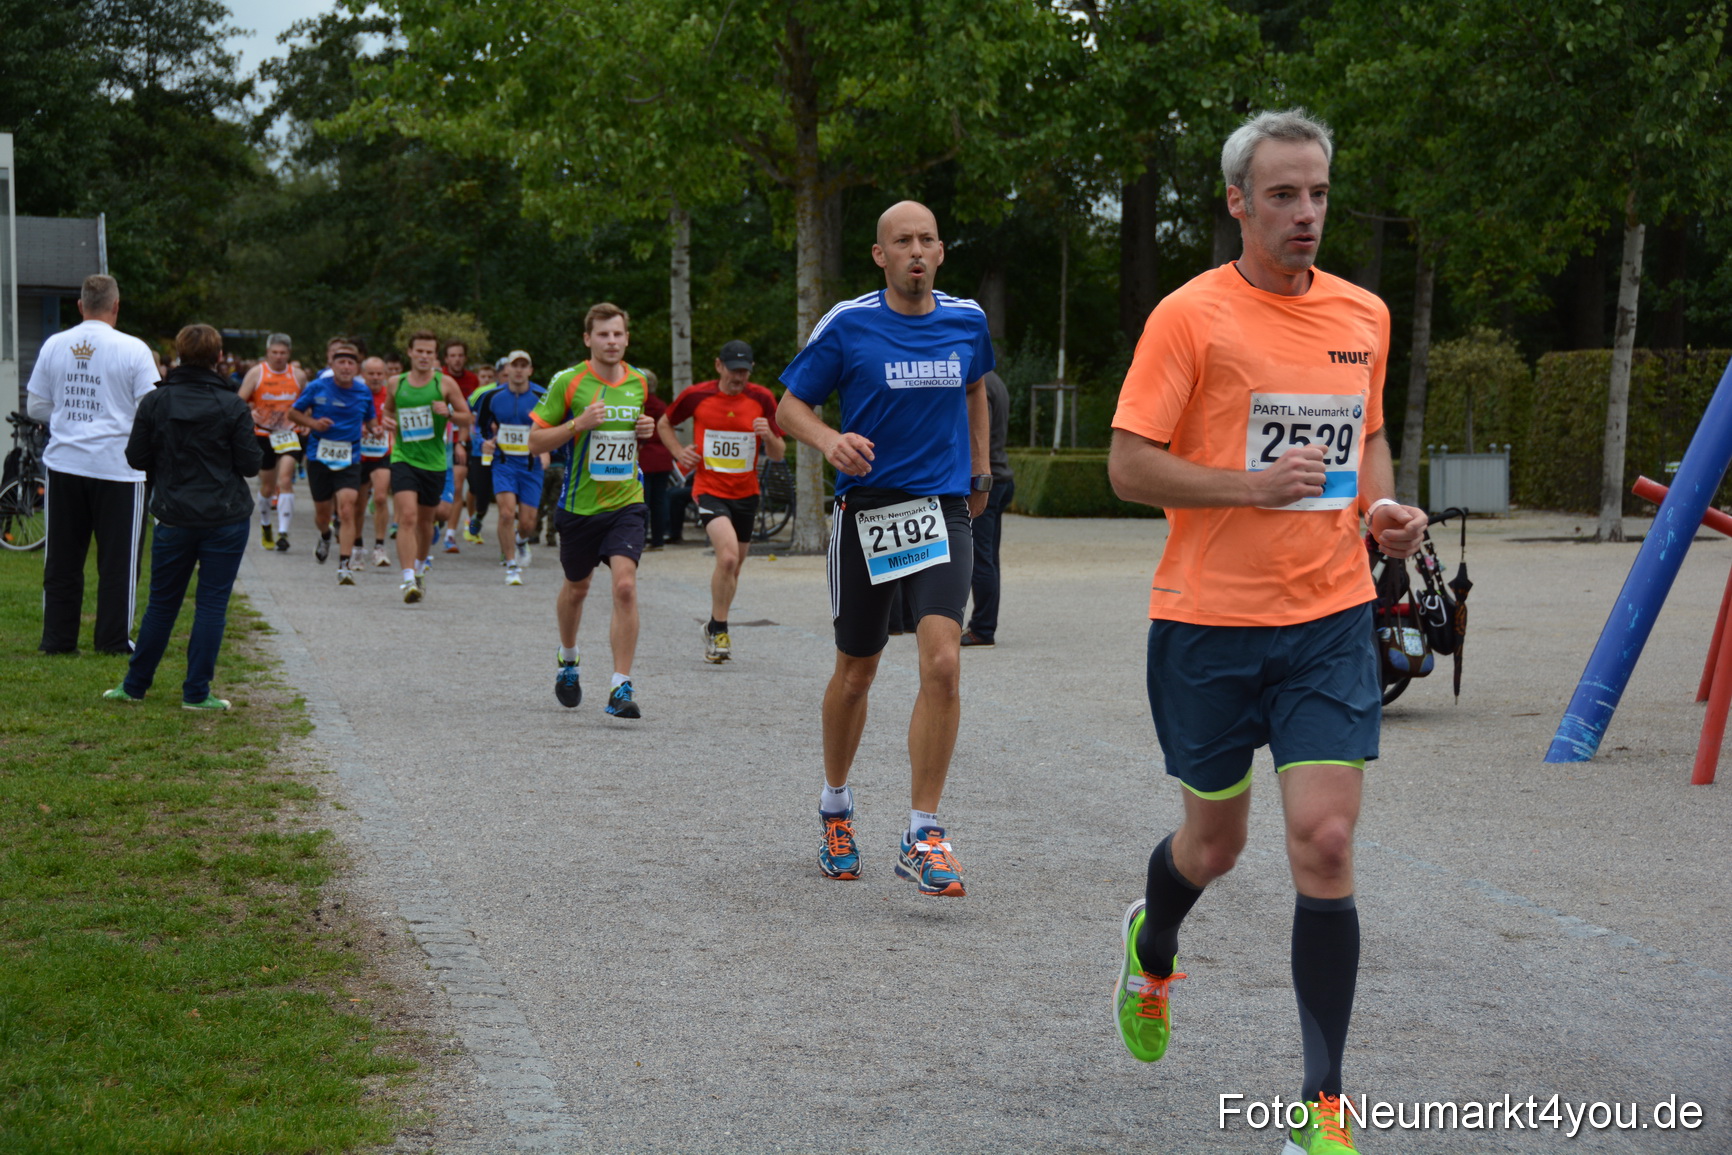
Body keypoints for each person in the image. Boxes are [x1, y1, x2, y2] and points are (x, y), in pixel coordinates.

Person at [1105, 109, 1428, 1155]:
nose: (1305, 214)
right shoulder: (1189, 318)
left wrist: (1381, 511)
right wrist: (1246, 485)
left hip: (1328, 616)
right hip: (1206, 625)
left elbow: (1366, 433)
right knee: (1215, 843)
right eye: (1282, 195)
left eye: (1319, 194)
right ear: (1237, 202)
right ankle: (1152, 949)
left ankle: (1321, 1108)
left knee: (1325, 843)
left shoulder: (1364, 314)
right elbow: (1127, 465)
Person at [776, 201, 994, 898]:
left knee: (943, 660)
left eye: (928, 239)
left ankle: (923, 831)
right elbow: (790, 406)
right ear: (880, 254)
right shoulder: (849, 323)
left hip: (940, 510)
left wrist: (982, 469)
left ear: (941, 249)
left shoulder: (967, 320)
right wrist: (828, 441)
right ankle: (835, 807)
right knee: (857, 672)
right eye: (902, 241)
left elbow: (975, 389)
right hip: (869, 511)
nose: (917, 251)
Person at [103, 324, 259, 709]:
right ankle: (196, 693)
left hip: (173, 513)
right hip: (225, 516)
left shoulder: (157, 402)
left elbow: (135, 457)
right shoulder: (232, 405)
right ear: (218, 357)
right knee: (211, 604)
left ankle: (135, 686)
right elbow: (251, 464)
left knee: (162, 603)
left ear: (179, 355)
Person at [525, 303, 657, 719]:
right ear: (588, 339)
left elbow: (636, 435)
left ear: (627, 338)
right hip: (579, 507)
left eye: (618, 334)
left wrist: (645, 431)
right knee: (577, 588)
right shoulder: (569, 381)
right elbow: (535, 441)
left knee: (625, 587)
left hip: (626, 502)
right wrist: (577, 424)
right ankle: (568, 660)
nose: (612, 342)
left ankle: (621, 686)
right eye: (603, 335)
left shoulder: (638, 382)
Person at [26, 273, 160, 656]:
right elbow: (150, 410)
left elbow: (36, 406)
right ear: (116, 306)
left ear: (80, 306)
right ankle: (113, 640)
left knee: (63, 558)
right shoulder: (134, 349)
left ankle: (57, 639)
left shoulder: (55, 343)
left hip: (65, 463)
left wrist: (72, 417)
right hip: (118, 468)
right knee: (119, 562)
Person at [659, 340, 786, 662]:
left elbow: (778, 454)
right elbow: (664, 423)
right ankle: (719, 630)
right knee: (727, 558)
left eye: (744, 371)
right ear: (719, 366)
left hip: (747, 494)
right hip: (710, 490)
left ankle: (714, 624)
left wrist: (768, 436)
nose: (738, 377)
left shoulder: (762, 398)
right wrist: (678, 452)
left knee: (734, 567)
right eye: (733, 370)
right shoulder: (697, 395)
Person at [383, 331, 473, 603]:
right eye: (419, 351)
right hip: (403, 458)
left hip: (434, 462)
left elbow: (467, 417)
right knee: (407, 517)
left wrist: (449, 413)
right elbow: (388, 411)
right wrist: (387, 422)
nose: (424, 357)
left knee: (425, 522)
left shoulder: (443, 383)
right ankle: (408, 579)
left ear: (435, 356)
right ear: (410, 352)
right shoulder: (395, 383)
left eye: (429, 352)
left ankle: (420, 567)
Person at [288, 342, 377, 583]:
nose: (346, 367)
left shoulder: (363, 391)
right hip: (319, 456)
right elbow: (293, 413)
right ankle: (325, 535)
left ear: (357, 367)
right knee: (322, 514)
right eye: (341, 362)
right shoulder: (317, 387)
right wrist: (314, 424)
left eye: (351, 363)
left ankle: (344, 566)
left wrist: (376, 430)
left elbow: (370, 421)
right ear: (332, 364)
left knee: (347, 508)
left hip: (350, 457)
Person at [473, 350, 547, 585]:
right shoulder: (492, 396)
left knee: (528, 522)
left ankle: (521, 540)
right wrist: (484, 442)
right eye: (514, 365)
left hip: (531, 465)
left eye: (523, 366)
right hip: (503, 464)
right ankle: (512, 565)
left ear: (530, 371)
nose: (518, 370)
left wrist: (547, 451)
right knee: (506, 513)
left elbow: (556, 425)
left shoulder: (542, 396)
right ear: (508, 369)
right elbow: (479, 426)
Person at [238, 333, 308, 552]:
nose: (278, 357)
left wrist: (307, 419)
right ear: (268, 353)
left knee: (285, 479)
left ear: (289, 354)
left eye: (283, 353)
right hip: (264, 434)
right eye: (274, 352)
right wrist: (249, 414)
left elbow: (306, 401)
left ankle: (283, 533)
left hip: (289, 433)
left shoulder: (298, 375)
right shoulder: (257, 373)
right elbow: (238, 401)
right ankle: (266, 524)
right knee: (267, 486)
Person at [961, 370, 1015, 648]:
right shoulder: (997, 380)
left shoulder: (978, 385)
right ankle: (983, 624)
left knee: (980, 559)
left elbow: (974, 432)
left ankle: (982, 628)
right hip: (1002, 476)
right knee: (988, 558)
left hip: (986, 481)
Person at [441, 339, 481, 553]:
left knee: (460, 486)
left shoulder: (472, 380)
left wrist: (462, 442)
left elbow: (470, 414)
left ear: (464, 358)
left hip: (462, 440)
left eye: (460, 355)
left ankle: (450, 534)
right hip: (438, 441)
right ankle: (437, 521)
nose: (457, 359)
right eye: (452, 355)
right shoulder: (439, 378)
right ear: (446, 359)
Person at [357, 355, 395, 566]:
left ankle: (380, 546)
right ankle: (357, 546)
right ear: (363, 375)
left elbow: (397, 419)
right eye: (371, 373)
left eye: (379, 373)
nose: (375, 377)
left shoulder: (390, 395)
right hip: (360, 455)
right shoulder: (356, 393)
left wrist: (391, 426)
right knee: (358, 504)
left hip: (382, 453)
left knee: (380, 498)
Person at [463, 365, 503, 544]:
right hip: (481, 451)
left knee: (507, 495)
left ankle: (511, 539)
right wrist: (476, 441)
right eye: (505, 375)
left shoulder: (523, 393)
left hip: (506, 453)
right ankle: (475, 517)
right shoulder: (482, 393)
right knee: (480, 493)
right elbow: (468, 419)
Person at [638, 369, 675, 550]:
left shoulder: (638, 405)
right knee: (660, 500)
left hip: (645, 458)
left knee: (642, 500)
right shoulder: (661, 405)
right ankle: (659, 539)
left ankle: (641, 538)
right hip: (663, 458)